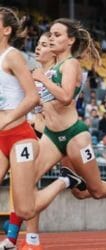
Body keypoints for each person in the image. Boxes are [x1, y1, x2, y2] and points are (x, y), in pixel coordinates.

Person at [7, 19, 106, 249]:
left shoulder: (71, 64)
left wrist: (42, 79)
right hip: (52, 137)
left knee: (96, 190)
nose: (52, 38)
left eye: (57, 35)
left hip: (75, 135)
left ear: (70, 40)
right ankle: (22, 241)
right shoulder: (49, 67)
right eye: (50, 35)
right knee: (28, 182)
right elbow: (44, 102)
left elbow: (65, 97)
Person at [0, 7, 41, 249]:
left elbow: (33, 97)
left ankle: (65, 182)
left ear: (6, 30)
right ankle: (11, 240)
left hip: (19, 136)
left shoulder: (12, 56)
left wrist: (7, 119)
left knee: (25, 207)